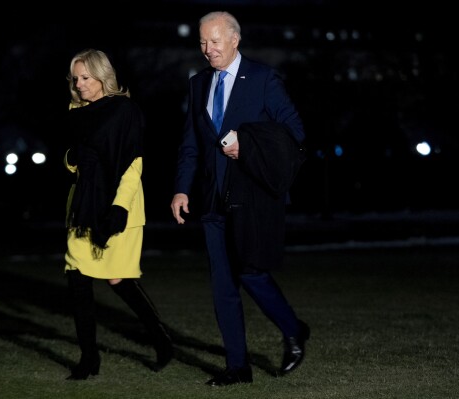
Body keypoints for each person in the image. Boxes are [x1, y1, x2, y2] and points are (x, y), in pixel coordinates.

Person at [170, 11, 310, 386]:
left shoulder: (263, 79)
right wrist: (182, 188)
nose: (207, 49)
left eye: (214, 41)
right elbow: (191, 143)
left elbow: (293, 133)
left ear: (235, 40)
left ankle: (293, 328)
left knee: (250, 272)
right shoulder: (198, 84)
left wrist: (246, 144)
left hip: (251, 197)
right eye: (202, 42)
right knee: (222, 285)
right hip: (211, 200)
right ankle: (237, 367)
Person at [63, 48, 172, 380]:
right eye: (75, 78)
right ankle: (89, 358)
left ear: (102, 77)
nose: (79, 84)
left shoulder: (125, 111)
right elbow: (71, 163)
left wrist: (119, 207)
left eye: (85, 77)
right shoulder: (75, 111)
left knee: (117, 278)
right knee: (76, 276)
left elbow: (133, 163)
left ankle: (162, 341)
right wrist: (74, 158)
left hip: (117, 206)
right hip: (83, 207)